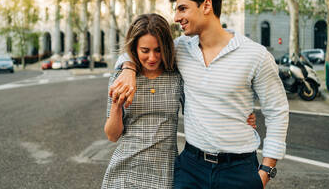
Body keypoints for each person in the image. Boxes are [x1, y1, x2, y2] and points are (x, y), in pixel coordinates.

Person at [110, 0, 289, 189]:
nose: (176, 17)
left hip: (238, 171)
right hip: (190, 169)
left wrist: (266, 170)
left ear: (206, 5)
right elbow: (140, 51)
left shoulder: (255, 55)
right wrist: (128, 70)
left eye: (183, 9)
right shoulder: (181, 49)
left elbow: (277, 111)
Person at [102, 13, 257, 189]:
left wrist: (238, 116)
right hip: (126, 170)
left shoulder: (176, 76)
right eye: (145, 51)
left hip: (164, 171)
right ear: (135, 49)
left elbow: (203, 105)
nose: (152, 58)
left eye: (158, 50)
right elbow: (112, 135)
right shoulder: (121, 78)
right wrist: (116, 104)